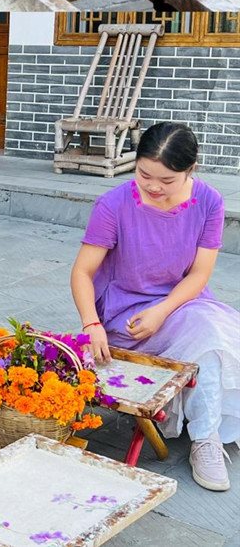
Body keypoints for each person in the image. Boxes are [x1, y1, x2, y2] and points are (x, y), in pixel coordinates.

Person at [71, 121, 239, 493]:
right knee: (205, 333)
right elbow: (82, 272)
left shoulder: (209, 202)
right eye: (144, 174)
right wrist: (90, 324)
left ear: (190, 171)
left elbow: (199, 274)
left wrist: (163, 310)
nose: (152, 186)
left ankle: (206, 440)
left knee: (211, 335)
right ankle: (200, 428)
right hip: (123, 316)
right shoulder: (114, 204)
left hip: (179, 306)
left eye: (166, 180)